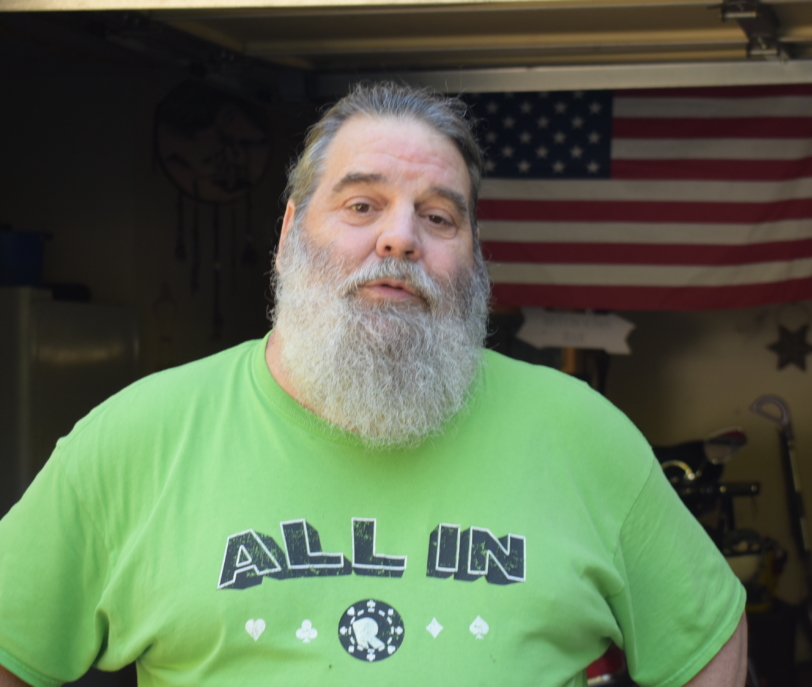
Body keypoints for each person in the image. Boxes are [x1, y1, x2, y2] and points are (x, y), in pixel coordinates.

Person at [0, 82, 746, 687]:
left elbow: (705, 638)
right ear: (292, 231)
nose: (400, 238)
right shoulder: (137, 435)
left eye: (438, 216)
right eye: (362, 205)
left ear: (473, 255)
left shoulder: (584, 434)